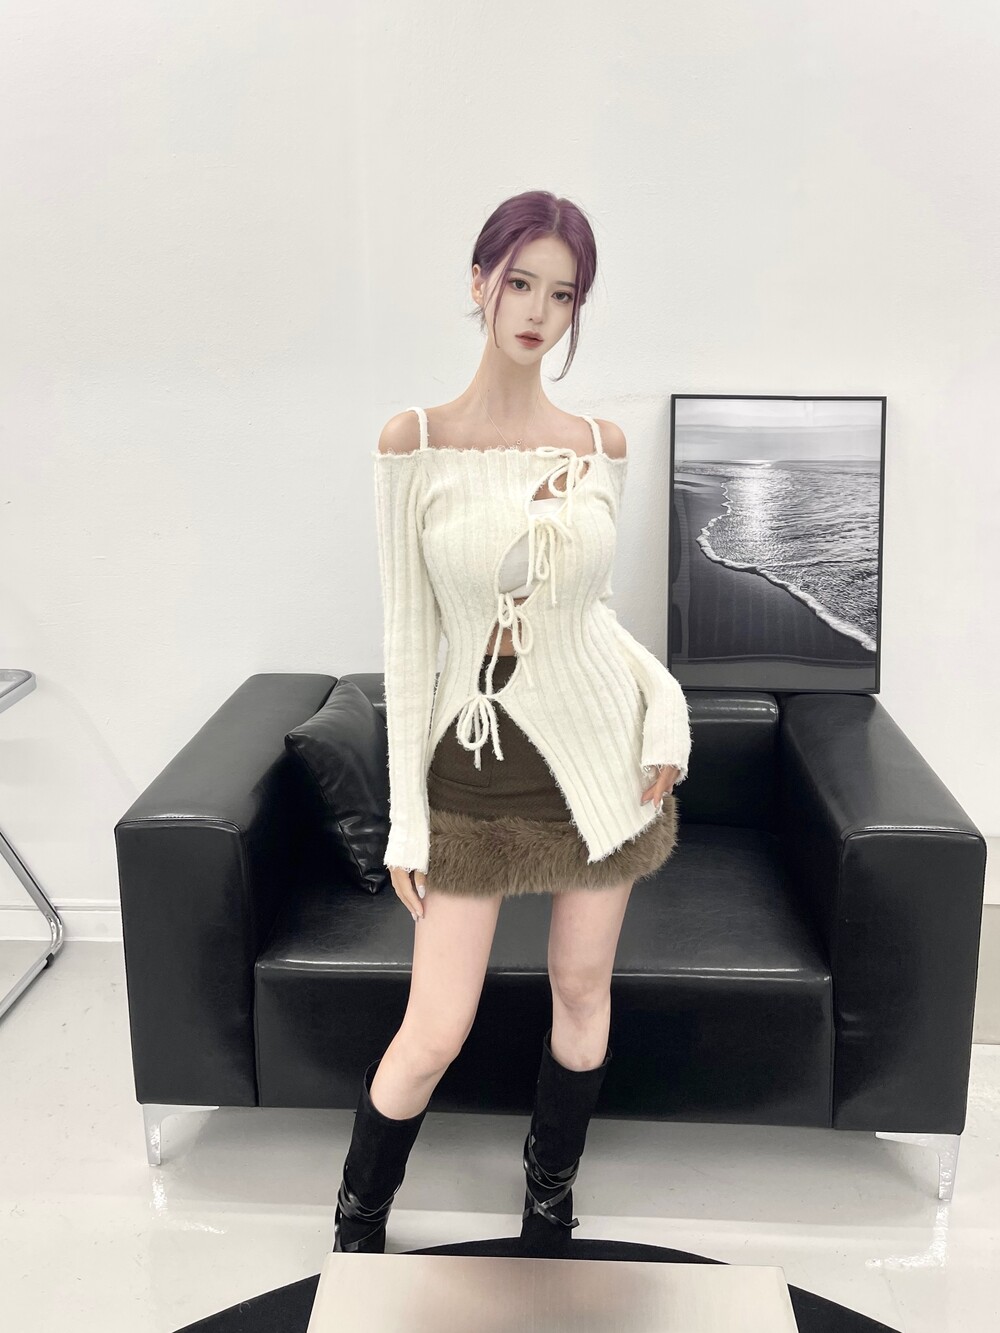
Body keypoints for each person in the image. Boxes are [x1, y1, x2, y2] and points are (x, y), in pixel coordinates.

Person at [334, 189, 691, 1255]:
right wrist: (406, 821)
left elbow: (595, 618)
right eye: (521, 282)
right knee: (434, 1027)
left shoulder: (598, 443)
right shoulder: (416, 442)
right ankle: (358, 1220)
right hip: (473, 768)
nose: (538, 311)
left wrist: (667, 710)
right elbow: (411, 642)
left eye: (562, 294)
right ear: (480, 280)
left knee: (581, 991)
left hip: (601, 762)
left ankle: (548, 1195)